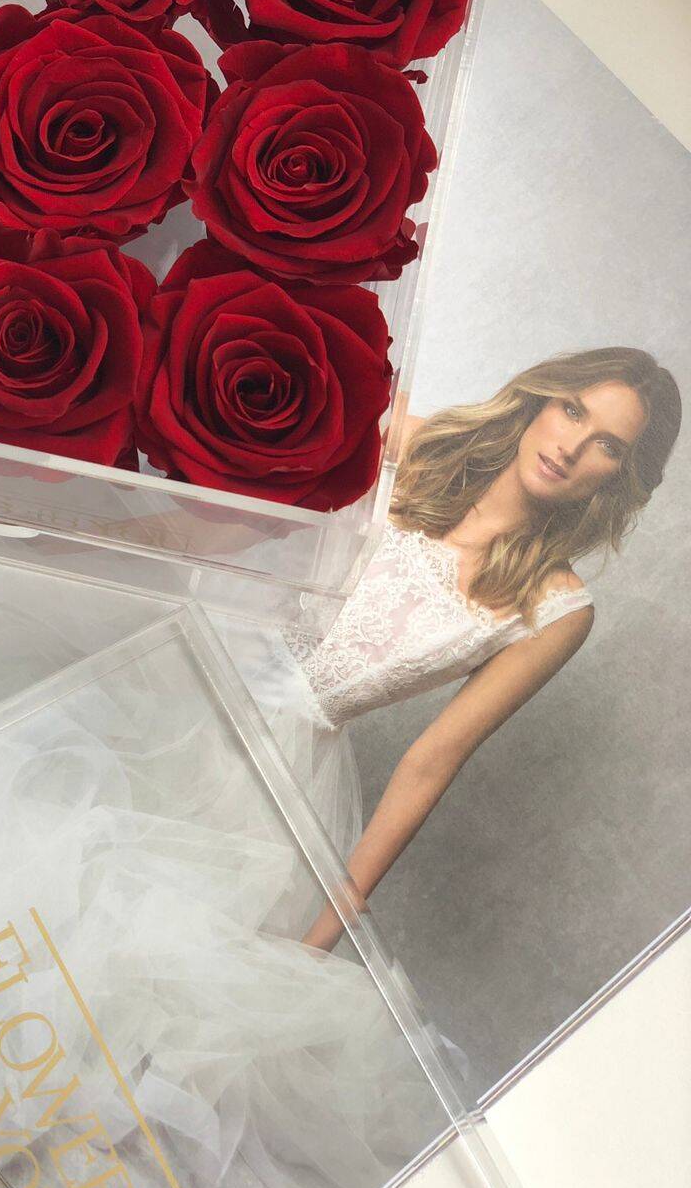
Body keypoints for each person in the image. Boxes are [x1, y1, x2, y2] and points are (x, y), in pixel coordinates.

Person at [230, 347, 682, 952]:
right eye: (573, 410)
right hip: (191, 651)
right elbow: (238, 506)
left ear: (621, 478)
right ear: (540, 398)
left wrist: (324, 933)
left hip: (272, 770)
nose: (571, 447)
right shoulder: (414, 443)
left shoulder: (557, 607)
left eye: (608, 445)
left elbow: (432, 762)